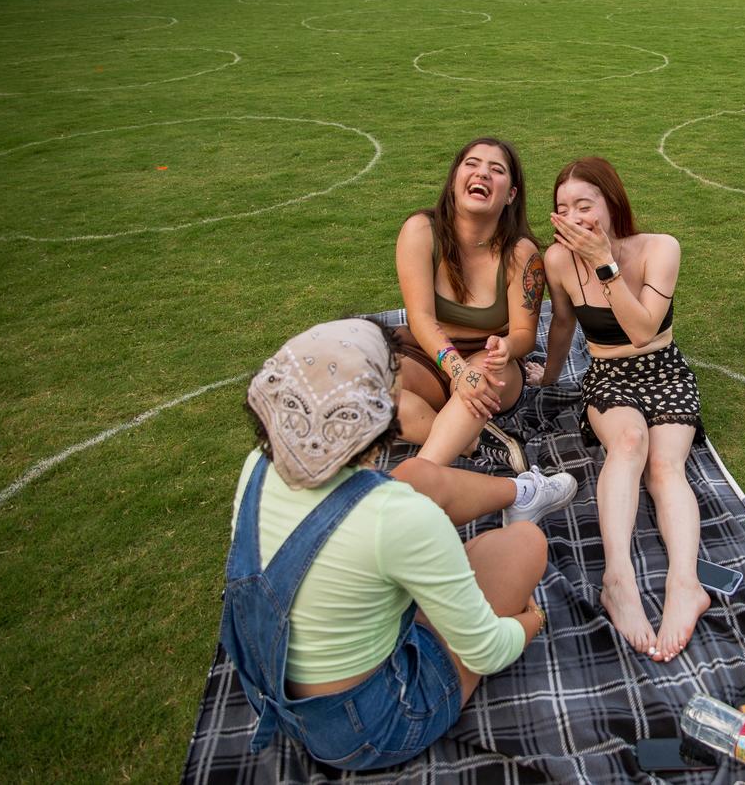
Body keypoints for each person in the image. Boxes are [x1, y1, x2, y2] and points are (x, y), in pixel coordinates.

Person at [220, 318, 576, 770]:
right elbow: (488, 649)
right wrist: (532, 620)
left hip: (273, 687)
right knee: (524, 543)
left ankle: (522, 492)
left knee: (417, 476)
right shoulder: (396, 516)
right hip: (372, 725)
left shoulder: (258, 464)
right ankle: (525, 508)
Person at [526, 158, 709, 663]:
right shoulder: (558, 261)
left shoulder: (660, 248)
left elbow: (643, 330)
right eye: (562, 209)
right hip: (608, 376)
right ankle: (618, 580)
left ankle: (685, 584)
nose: (573, 218)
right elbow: (562, 323)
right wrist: (550, 371)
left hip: (665, 369)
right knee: (629, 443)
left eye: (585, 205)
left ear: (612, 203)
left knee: (666, 465)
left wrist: (606, 264)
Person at [393, 137, 545, 472]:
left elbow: (525, 334)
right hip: (429, 352)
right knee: (363, 388)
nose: (483, 174)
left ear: (511, 195)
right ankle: (473, 441)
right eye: (472, 164)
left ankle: (417, 482)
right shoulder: (420, 230)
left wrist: (506, 346)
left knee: (480, 379)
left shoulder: (522, 254)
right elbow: (420, 318)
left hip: (489, 359)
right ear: (454, 181)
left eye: (497, 170)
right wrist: (456, 371)